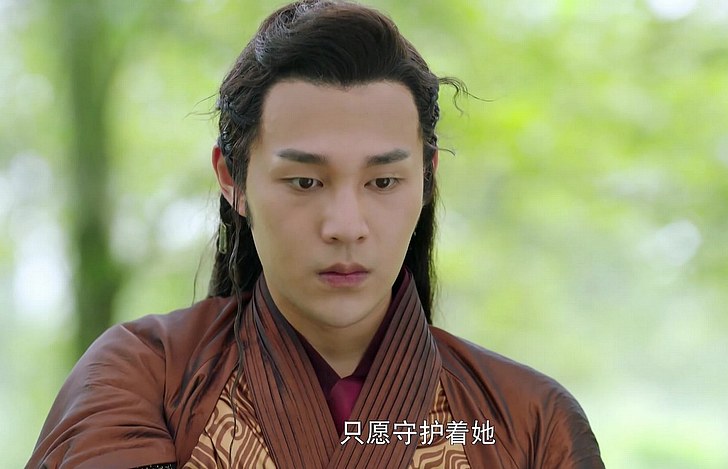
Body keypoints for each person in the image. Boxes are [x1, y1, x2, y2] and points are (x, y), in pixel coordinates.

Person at [28, 1, 604, 467]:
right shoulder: (147, 379)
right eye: (305, 181)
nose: (346, 227)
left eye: (383, 182)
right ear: (232, 179)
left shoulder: (528, 421)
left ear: (427, 179)